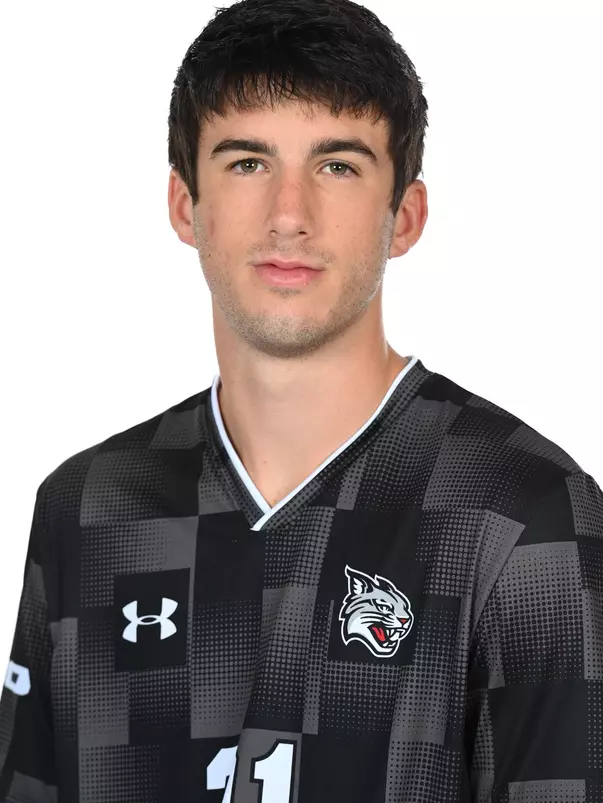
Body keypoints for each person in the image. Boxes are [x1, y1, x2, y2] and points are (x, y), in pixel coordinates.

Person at [1, 0, 601, 800]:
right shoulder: (87, 509)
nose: (289, 215)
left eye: (337, 165)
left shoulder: (522, 517)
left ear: (405, 217)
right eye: (247, 162)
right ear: (185, 204)